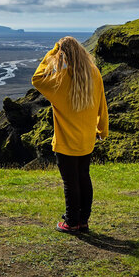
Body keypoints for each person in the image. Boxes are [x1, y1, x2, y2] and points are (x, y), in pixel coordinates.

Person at [31, 36, 109, 234]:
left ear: (63, 55)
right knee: (84, 177)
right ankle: (83, 221)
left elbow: (37, 79)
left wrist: (52, 53)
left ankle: (71, 222)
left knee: (70, 182)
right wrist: (102, 129)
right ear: (82, 51)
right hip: (86, 140)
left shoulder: (61, 79)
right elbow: (102, 104)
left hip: (66, 142)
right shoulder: (94, 72)